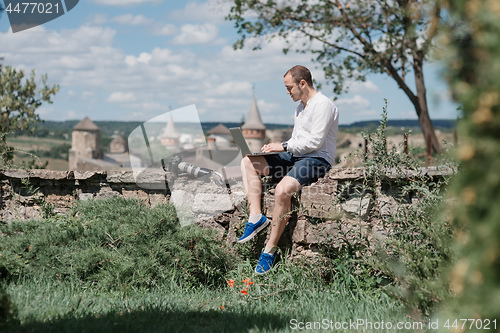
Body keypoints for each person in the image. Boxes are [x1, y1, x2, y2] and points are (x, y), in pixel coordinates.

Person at [238, 65, 339, 274]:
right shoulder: (300, 108)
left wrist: (283, 146)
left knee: (283, 190)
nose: (287, 92)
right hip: (296, 156)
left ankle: (269, 250)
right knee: (249, 161)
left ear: (303, 83)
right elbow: (297, 141)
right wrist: (276, 146)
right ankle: (256, 216)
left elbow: (315, 142)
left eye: (289, 87)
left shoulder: (323, 105)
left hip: (317, 160)